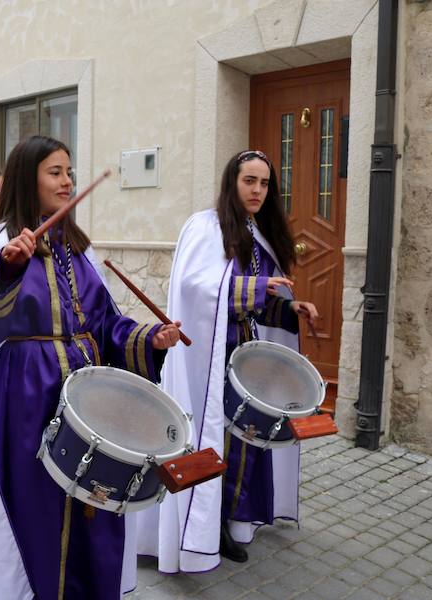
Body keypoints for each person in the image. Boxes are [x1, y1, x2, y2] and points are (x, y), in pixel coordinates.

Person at [0, 136, 182, 599]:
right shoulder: (0, 244)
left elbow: (104, 322)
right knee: (41, 509)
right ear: (29, 178)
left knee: (94, 503)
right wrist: (5, 270)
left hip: (92, 398)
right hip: (28, 395)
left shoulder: (75, 248)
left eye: (69, 172)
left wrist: (148, 338)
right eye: (55, 172)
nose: (67, 182)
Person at [136, 150, 319, 572]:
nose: (257, 190)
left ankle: (230, 522)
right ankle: (201, 530)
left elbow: (264, 300)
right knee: (212, 442)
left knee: (243, 445)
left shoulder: (258, 233)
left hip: (244, 359)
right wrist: (255, 288)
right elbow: (195, 287)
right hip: (209, 359)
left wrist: (290, 309)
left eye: (264, 183)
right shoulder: (206, 226)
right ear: (231, 183)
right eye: (249, 181)